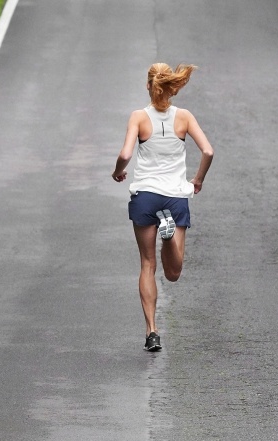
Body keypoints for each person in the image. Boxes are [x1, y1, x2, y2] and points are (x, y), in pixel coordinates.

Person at [111, 63, 214, 351]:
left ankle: (152, 332)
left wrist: (119, 171)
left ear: (148, 85)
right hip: (175, 197)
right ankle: (168, 235)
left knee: (147, 264)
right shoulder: (184, 117)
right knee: (173, 273)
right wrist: (198, 179)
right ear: (172, 86)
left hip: (145, 196)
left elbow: (125, 153)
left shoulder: (138, 117)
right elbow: (208, 150)